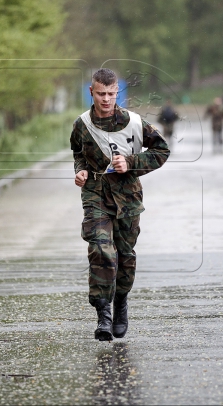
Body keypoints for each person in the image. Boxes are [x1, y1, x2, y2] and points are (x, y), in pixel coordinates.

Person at [71, 68, 170, 341]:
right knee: (101, 250)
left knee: (125, 257)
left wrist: (131, 163)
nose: (105, 99)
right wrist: (80, 171)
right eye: (100, 94)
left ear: (118, 93)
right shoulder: (82, 125)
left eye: (111, 94)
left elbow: (162, 150)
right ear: (92, 92)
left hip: (128, 199)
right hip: (96, 196)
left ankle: (121, 302)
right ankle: (103, 314)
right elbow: (79, 154)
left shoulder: (135, 123)